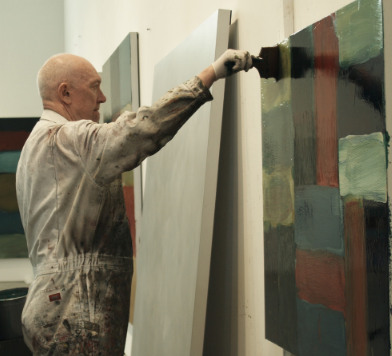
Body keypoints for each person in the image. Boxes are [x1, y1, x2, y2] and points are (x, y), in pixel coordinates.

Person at [16, 49, 252, 355]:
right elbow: (141, 129)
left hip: (57, 307)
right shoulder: (69, 139)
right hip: (72, 312)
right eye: (94, 86)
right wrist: (212, 74)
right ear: (65, 93)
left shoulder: (33, 147)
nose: (101, 98)